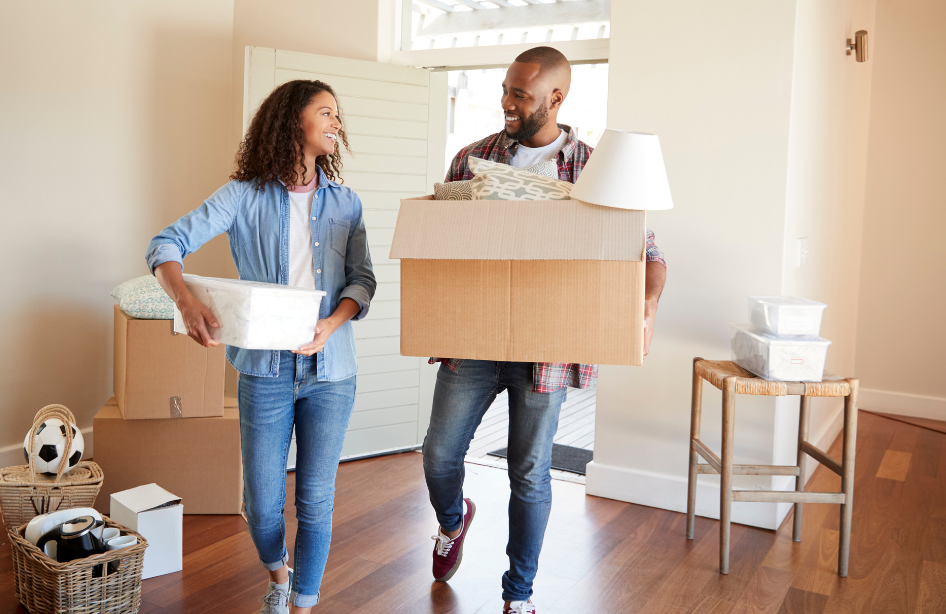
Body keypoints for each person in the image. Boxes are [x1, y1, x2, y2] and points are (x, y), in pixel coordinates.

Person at [422, 47, 667, 614]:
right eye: (506, 90)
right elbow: (440, 246)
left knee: (529, 473)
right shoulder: (471, 159)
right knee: (439, 455)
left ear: (556, 99)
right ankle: (453, 522)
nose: (507, 103)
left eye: (521, 95)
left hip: (548, 347)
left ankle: (519, 596)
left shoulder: (595, 168)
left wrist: (646, 304)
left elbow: (647, 252)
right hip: (475, 339)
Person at [145, 79, 376, 614]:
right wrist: (185, 302)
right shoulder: (242, 196)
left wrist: (332, 324)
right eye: (326, 113)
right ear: (293, 120)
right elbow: (165, 244)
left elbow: (362, 281)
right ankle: (279, 575)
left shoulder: (347, 204)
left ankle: (303, 602)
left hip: (332, 373)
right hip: (264, 372)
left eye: (337, 114)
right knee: (262, 504)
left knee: (316, 501)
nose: (337, 123)